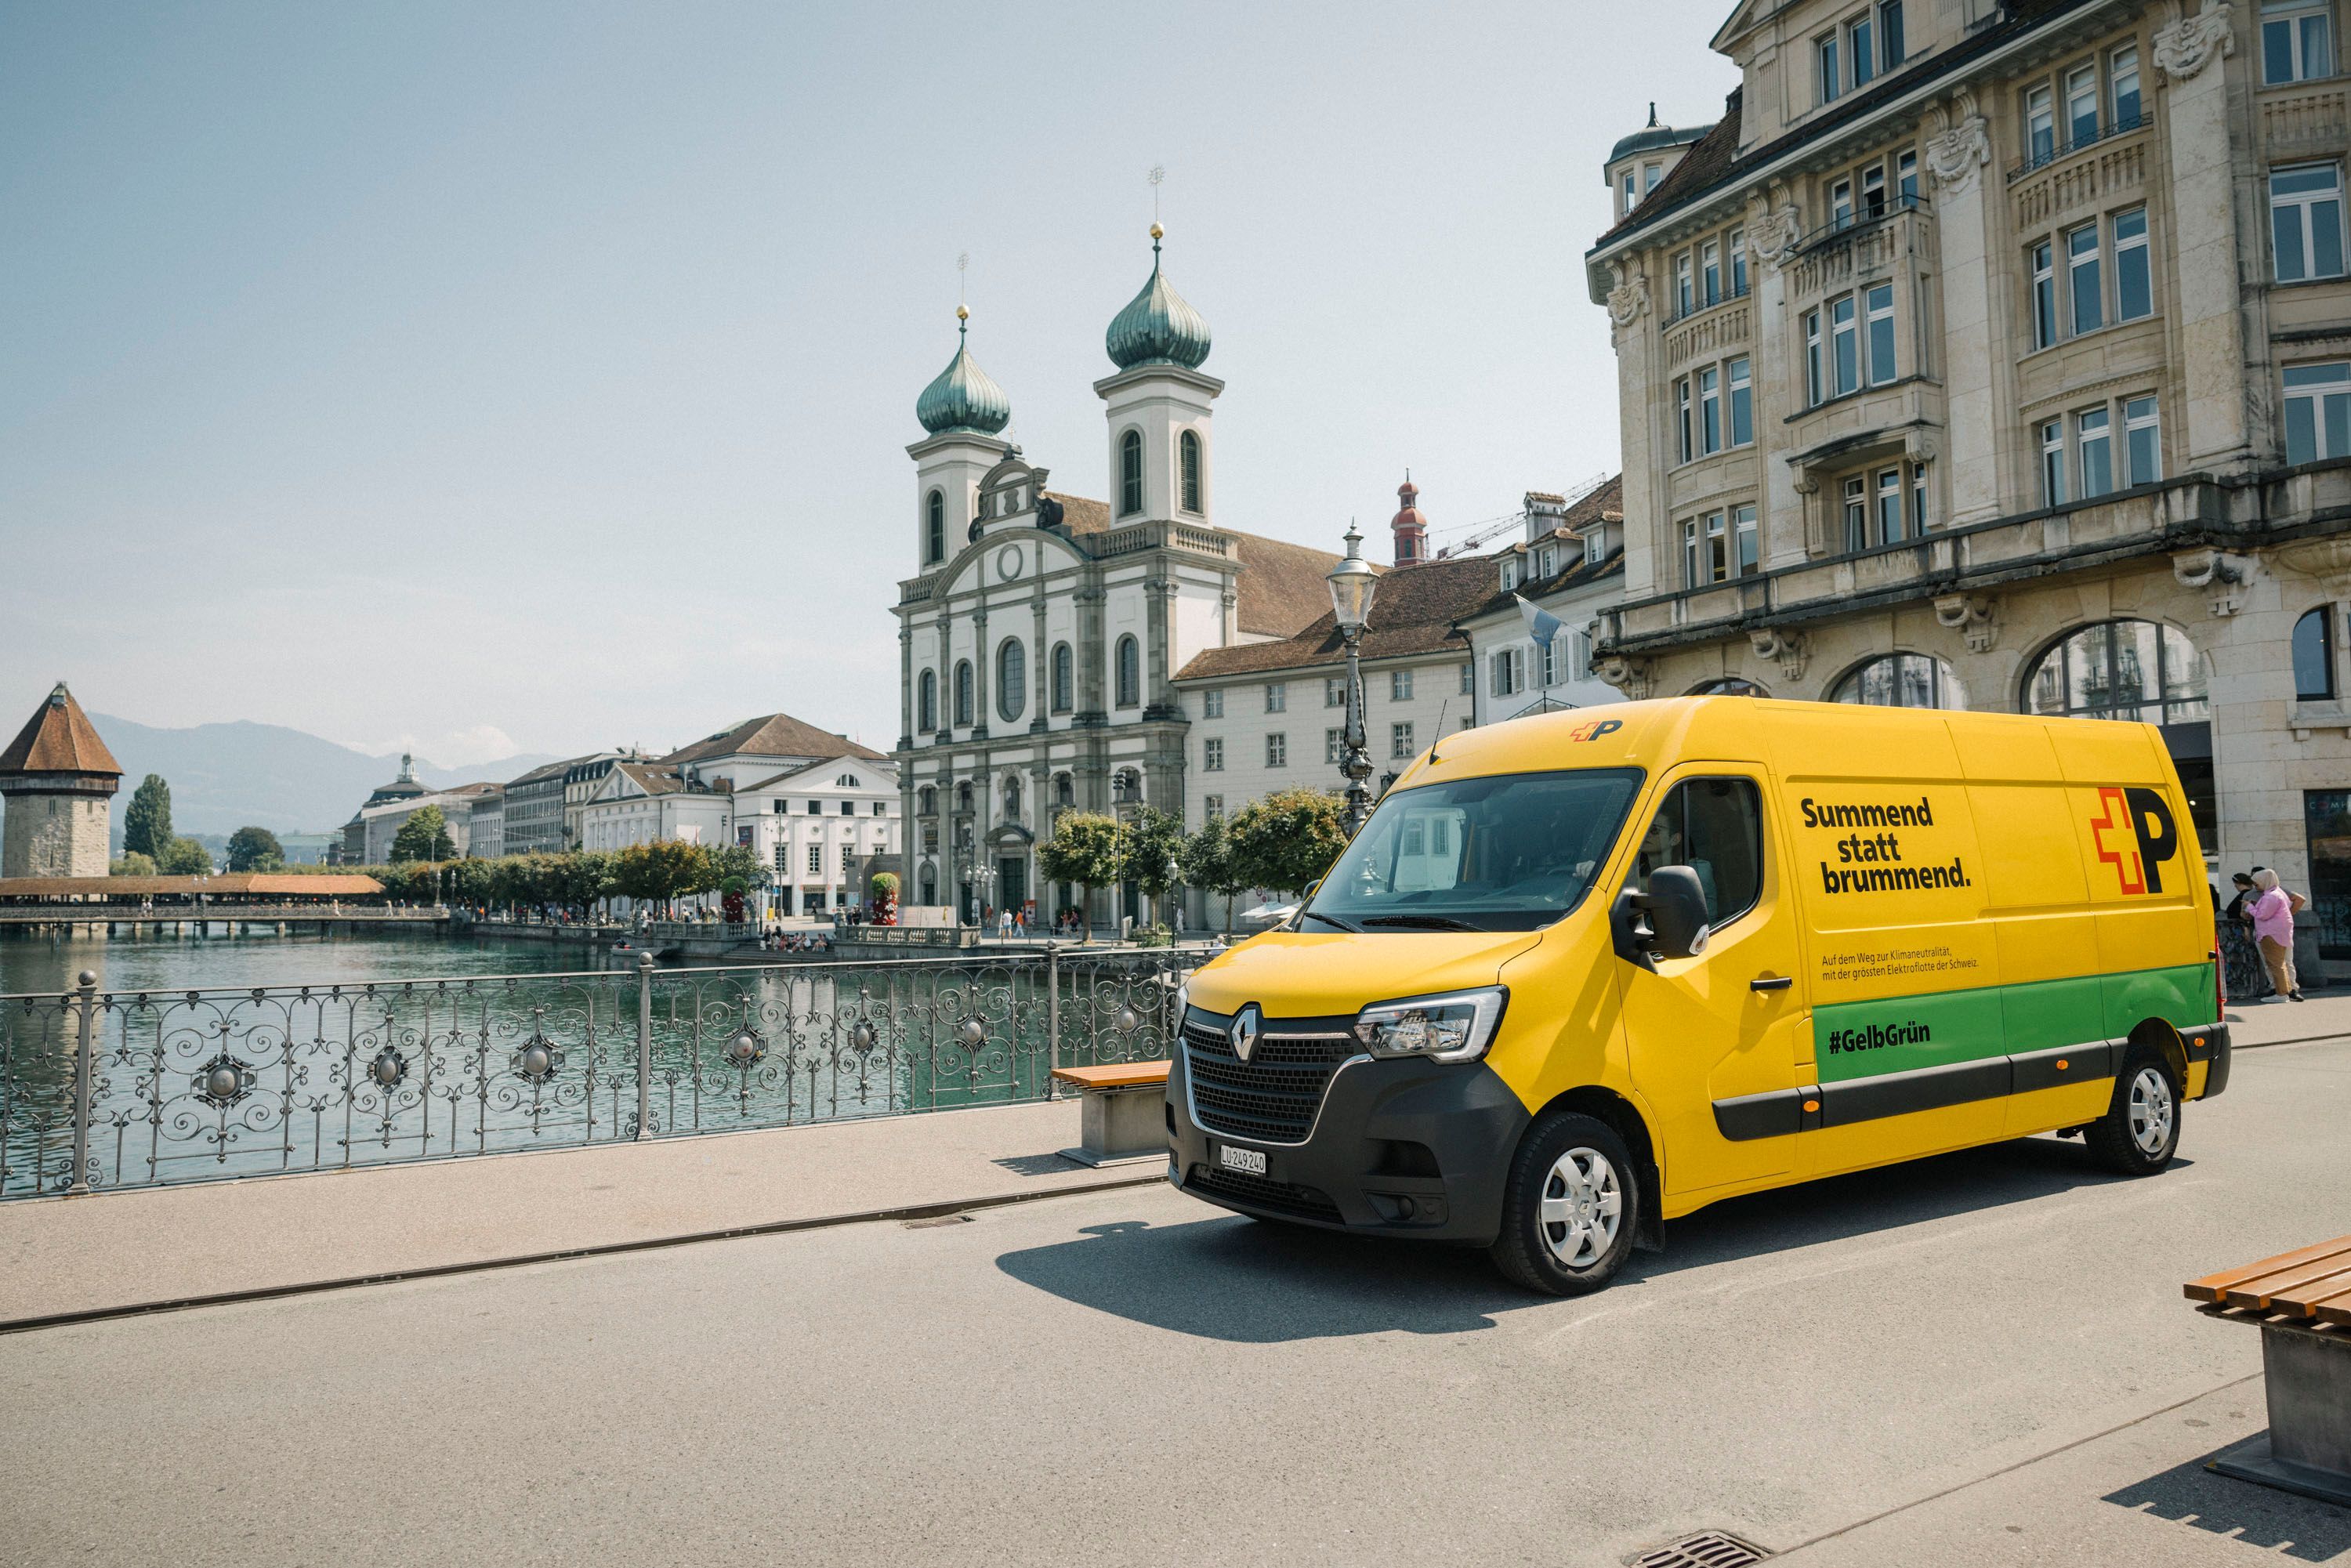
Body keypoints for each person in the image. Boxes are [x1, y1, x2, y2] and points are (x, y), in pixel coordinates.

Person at [2248, 866, 2306, 1002]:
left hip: (2270, 934)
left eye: (2257, 882)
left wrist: (2249, 907)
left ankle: (2281, 994)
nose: (2255, 886)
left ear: (2264, 881)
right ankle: (2287, 991)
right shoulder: (2279, 892)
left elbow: (2262, 915)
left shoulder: (2271, 896)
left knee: (2276, 964)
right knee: (2284, 963)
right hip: (2281, 933)